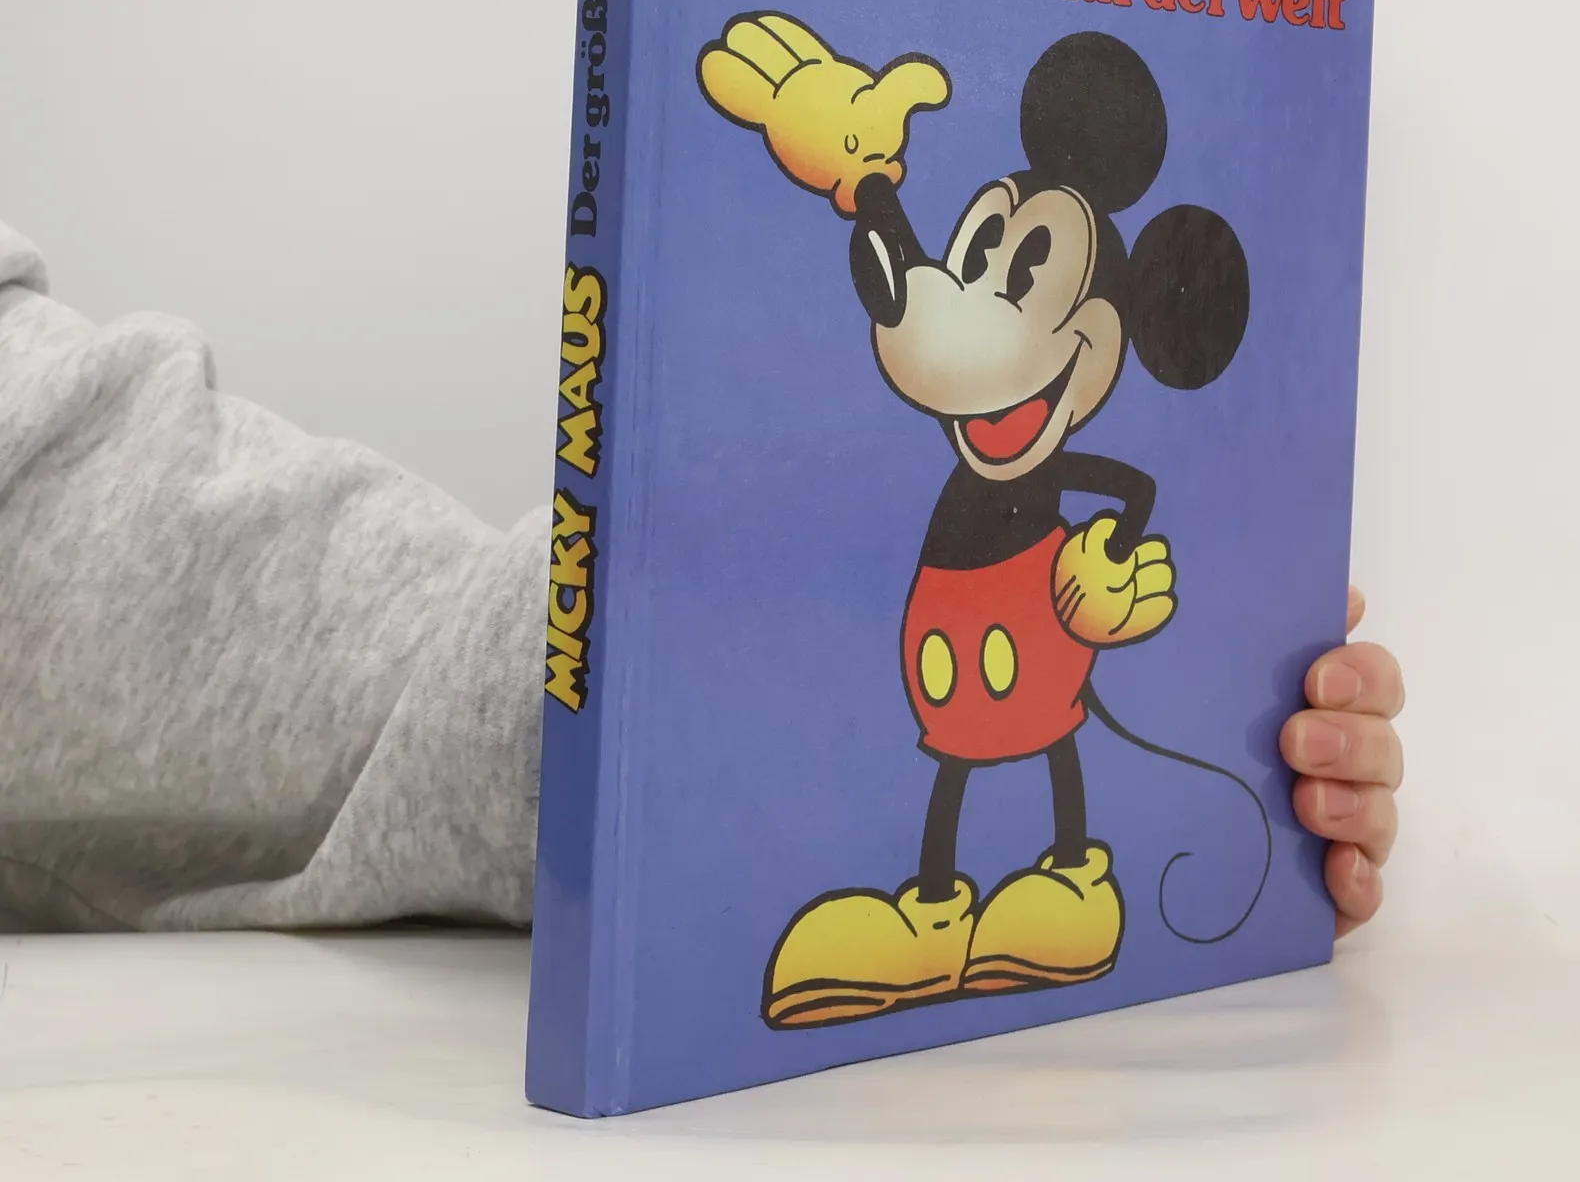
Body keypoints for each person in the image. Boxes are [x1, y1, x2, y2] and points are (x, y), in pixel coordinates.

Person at [0, 215, 1403, 937]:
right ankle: (947, 887)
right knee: (961, 765)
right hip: (929, 662)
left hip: (1014, 665)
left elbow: (140, 553)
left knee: (1048, 760)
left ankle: (1077, 857)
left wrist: (1234, 718)